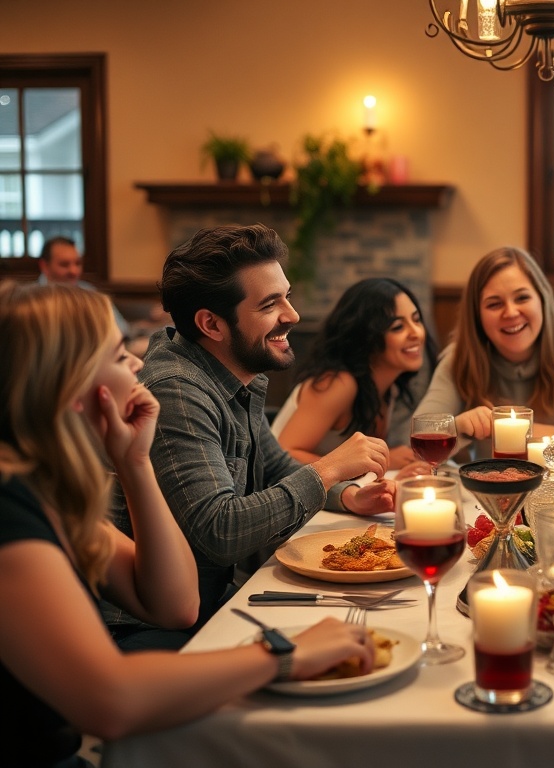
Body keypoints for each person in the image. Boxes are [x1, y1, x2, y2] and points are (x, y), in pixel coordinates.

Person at [0, 282, 373, 768]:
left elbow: (175, 604)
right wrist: (283, 654)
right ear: (70, 390)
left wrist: (136, 464)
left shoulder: (46, 490)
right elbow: (111, 701)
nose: (137, 365)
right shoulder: (10, 506)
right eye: (118, 355)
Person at [102, 224, 393, 650]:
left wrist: (347, 494)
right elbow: (219, 531)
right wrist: (329, 468)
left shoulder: (233, 372)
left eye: (287, 296)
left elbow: (274, 466)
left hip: (208, 603)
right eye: (271, 304)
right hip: (145, 629)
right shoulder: (176, 390)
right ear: (211, 324)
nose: (292, 315)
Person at [414, 246, 554, 460]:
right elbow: (418, 440)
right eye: (494, 304)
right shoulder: (460, 357)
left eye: (522, 297)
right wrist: (460, 428)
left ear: (542, 299)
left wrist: (525, 433)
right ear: (477, 316)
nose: (511, 312)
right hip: (493, 500)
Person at [272, 277, 437, 474]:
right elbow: (284, 454)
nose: (416, 333)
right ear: (367, 336)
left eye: (416, 320)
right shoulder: (338, 383)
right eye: (398, 327)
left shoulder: (387, 389)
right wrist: (383, 462)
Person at [38, 235, 131, 337]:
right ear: (44, 266)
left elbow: (121, 328)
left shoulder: (89, 292)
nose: (74, 271)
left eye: (77, 263)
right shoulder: (32, 301)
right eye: (64, 264)